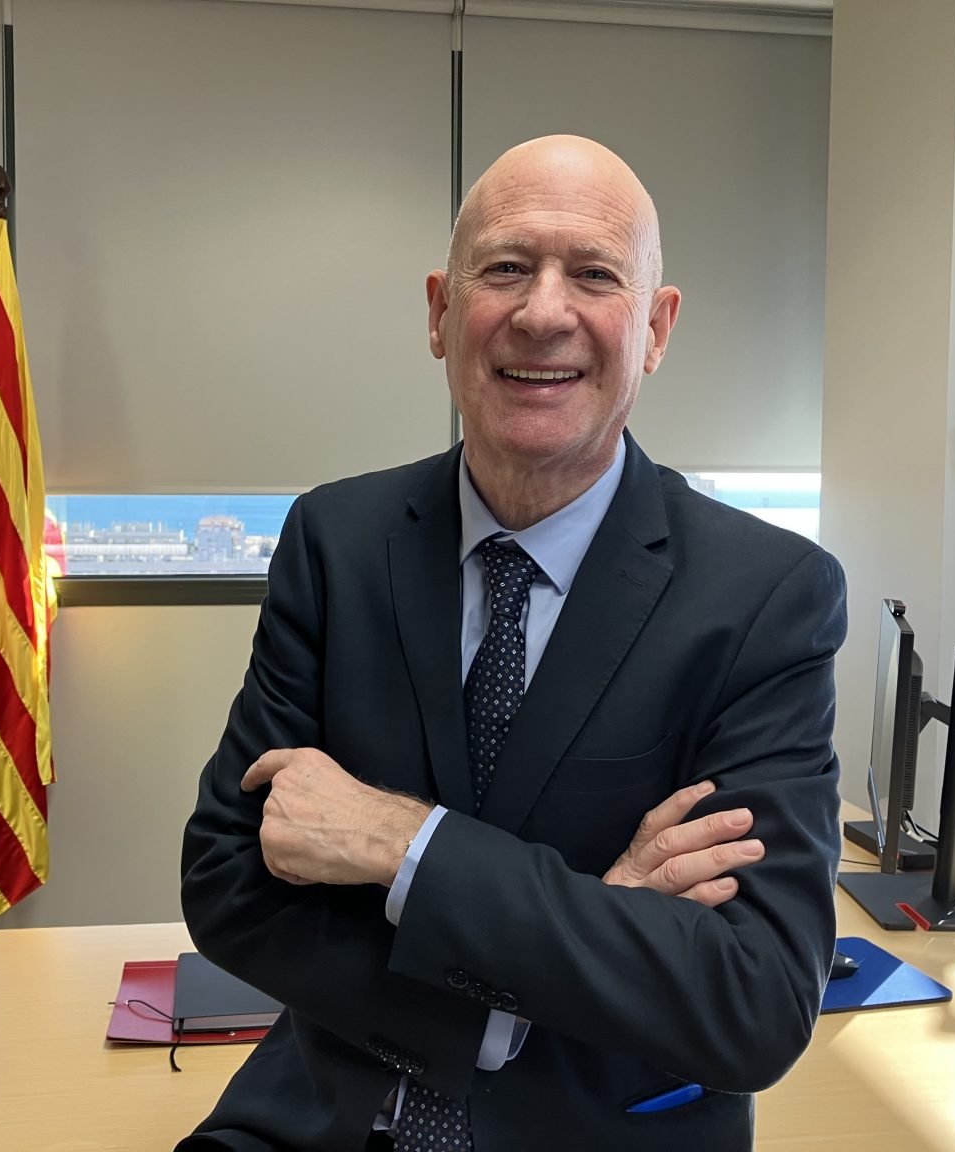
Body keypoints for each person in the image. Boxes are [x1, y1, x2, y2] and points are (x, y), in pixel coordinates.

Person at [178, 135, 846, 1152]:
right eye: (505, 267)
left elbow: (751, 997)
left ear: (656, 328)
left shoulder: (765, 597)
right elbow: (229, 880)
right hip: (318, 1121)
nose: (543, 312)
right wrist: (567, 948)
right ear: (440, 313)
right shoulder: (336, 541)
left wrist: (401, 844)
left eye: (595, 274)